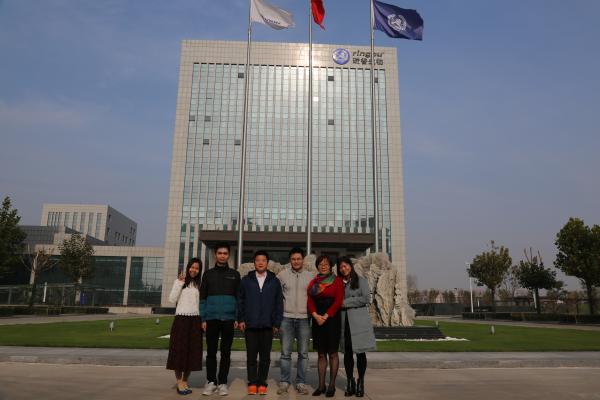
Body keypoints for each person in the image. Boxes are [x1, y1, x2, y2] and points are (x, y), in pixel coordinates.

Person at [238, 250, 284, 395]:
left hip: (267, 325)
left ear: (267, 263)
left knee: (265, 357)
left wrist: (276, 323)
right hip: (250, 324)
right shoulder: (246, 280)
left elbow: (279, 303)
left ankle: (262, 382)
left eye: (263, 260)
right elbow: (240, 301)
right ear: (254, 262)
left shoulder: (274, 281)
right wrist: (241, 319)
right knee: (251, 356)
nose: (260, 263)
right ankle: (252, 382)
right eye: (258, 260)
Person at [199, 243, 240, 396]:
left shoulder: (235, 274)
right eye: (220, 253)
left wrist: (236, 317)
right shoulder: (208, 274)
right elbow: (202, 298)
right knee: (211, 352)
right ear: (215, 254)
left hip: (229, 319)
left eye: (225, 253)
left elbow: (239, 298)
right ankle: (211, 381)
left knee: (226, 352)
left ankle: (222, 382)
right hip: (211, 319)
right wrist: (203, 318)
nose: (222, 255)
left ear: (228, 255)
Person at [276, 247, 314, 395]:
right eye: (293, 259)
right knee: (285, 353)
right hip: (286, 318)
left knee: (303, 353)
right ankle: (284, 382)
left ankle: (301, 382)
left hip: (304, 319)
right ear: (290, 260)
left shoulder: (311, 276)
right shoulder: (282, 275)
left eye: (298, 259)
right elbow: (276, 296)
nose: (296, 261)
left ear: (303, 260)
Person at [337, 257, 376, 398]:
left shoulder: (361, 281)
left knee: (360, 353)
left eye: (346, 265)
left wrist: (345, 302)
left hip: (359, 323)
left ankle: (361, 382)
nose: (344, 269)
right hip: (344, 322)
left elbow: (366, 299)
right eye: (341, 267)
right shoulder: (338, 283)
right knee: (347, 353)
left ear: (350, 266)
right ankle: (350, 381)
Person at [307, 254, 344, 397]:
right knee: (321, 353)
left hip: (332, 318)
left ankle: (332, 385)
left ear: (330, 266)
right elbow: (310, 300)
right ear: (317, 266)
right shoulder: (313, 282)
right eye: (320, 264)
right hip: (318, 319)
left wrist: (326, 316)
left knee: (333, 353)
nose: (323, 266)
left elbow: (338, 300)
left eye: (326, 264)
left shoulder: (337, 281)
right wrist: (316, 316)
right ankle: (321, 385)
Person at [167, 257, 203, 396]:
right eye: (192, 267)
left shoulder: (199, 284)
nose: (194, 270)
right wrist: (179, 283)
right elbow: (172, 299)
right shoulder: (180, 281)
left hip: (195, 320)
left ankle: (185, 380)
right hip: (181, 319)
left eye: (197, 268)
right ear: (188, 268)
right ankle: (179, 382)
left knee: (192, 352)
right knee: (179, 351)